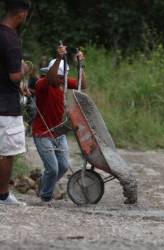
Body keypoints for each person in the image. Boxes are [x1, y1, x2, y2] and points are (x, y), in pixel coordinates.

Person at [32, 45, 87, 202]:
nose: (62, 80)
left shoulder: (61, 83)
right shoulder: (42, 84)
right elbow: (51, 78)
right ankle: (46, 197)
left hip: (58, 132)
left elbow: (82, 85)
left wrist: (80, 65)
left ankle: (43, 185)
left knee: (62, 166)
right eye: (60, 77)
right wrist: (58, 58)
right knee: (53, 168)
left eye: (63, 78)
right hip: (42, 133)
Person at [0, 0, 30, 206]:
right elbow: (13, 75)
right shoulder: (11, 39)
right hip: (6, 107)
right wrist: (25, 69)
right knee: (7, 153)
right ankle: (2, 196)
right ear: (21, 14)